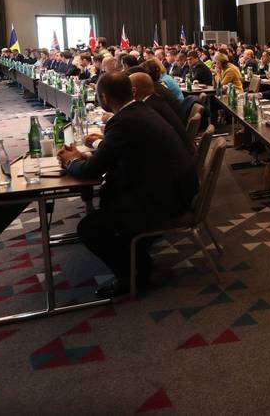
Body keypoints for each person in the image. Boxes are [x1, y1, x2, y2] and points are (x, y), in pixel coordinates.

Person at [58, 72, 198, 298]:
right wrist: (87, 159)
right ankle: (141, 266)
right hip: (174, 188)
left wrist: (71, 162)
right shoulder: (140, 111)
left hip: (165, 199)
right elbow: (115, 156)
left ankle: (131, 278)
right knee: (109, 199)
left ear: (104, 97)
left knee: (90, 228)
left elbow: (92, 171)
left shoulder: (123, 121)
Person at [128, 72, 192, 152]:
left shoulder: (149, 108)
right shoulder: (156, 100)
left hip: (175, 153)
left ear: (134, 91)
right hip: (181, 149)